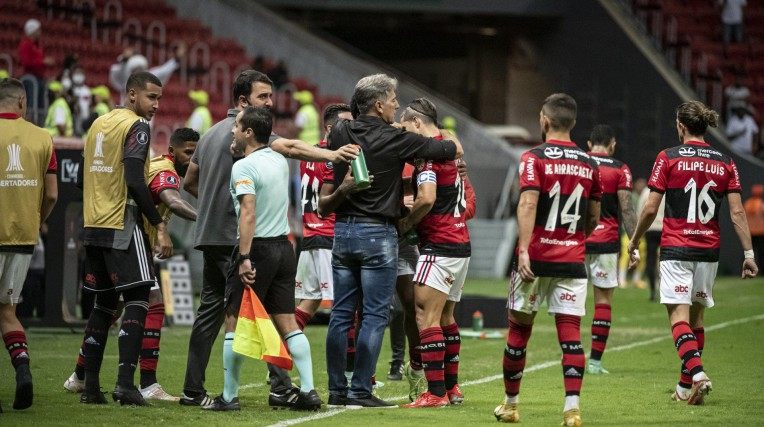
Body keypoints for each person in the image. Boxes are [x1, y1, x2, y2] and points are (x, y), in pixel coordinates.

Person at [180, 70, 357, 408]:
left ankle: (193, 389)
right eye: (263, 97)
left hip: (212, 235)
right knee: (256, 315)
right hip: (244, 240)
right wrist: (332, 155)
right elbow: (289, 148)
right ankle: (281, 386)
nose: (270, 103)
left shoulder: (208, 135)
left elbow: (189, 181)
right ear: (243, 102)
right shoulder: (255, 136)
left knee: (212, 313)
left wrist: (213, 205)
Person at [319, 73, 463, 409]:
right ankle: (360, 391)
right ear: (378, 103)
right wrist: (437, 133)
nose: (397, 106)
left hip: (342, 231)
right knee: (374, 315)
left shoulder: (340, 131)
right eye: (393, 99)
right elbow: (448, 149)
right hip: (378, 234)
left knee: (341, 314)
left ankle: (337, 390)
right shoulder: (396, 139)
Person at [628, 100, 758, 405]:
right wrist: (749, 254)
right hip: (708, 250)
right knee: (697, 320)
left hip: (677, 247)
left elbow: (650, 208)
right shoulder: (725, 162)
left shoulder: (668, 157)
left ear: (681, 126)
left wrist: (634, 240)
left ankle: (698, 375)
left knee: (678, 318)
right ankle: (685, 388)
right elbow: (738, 212)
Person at [64, 127, 199, 401]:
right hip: (128, 240)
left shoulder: (155, 164)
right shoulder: (166, 171)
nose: (192, 159)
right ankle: (145, 383)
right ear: (172, 151)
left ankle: (79, 376)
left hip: (109, 234)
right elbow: (172, 200)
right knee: (152, 302)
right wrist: (204, 218)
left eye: (196, 154)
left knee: (108, 309)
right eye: (188, 152)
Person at [202, 106, 322, 411]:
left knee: (233, 322)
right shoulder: (279, 160)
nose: (232, 130)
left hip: (257, 250)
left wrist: (244, 257)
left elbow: (248, 212)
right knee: (288, 322)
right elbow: (291, 148)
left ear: (249, 132)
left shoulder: (244, 167)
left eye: (237, 126)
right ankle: (308, 391)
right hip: (284, 248)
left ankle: (229, 397)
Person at [494, 93, 601, 427]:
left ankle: (511, 405)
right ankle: (572, 410)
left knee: (518, 331)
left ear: (544, 119)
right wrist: (574, 239)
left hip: (536, 259)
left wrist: (524, 249)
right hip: (572, 260)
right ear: (573, 122)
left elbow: (527, 203)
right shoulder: (589, 163)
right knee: (570, 335)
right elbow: (593, 218)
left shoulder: (533, 157)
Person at [78, 71, 173, 406]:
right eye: (151, 97)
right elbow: (134, 179)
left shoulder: (97, 125)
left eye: (159, 98)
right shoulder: (137, 127)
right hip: (122, 221)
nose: (156, 105)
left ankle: (90, 388)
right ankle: (124, 384)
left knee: (104, 305)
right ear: (132, 94)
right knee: (138, 298)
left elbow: (81, 178)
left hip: (93, 225)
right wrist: (158, 224)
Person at [397, 98, 475, 408]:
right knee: (445, 317)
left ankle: (436, 392)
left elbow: (427, 198)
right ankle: (452, 389)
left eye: (406, 128)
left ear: (417, 123)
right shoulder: (451, 150)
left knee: (424, 316)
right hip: (461, 244)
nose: (406, 135)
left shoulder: (428, 158)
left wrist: (406, 223)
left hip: (439, 246)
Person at [0, 77, 58, 411]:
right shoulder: (42, 137)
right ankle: (22, 369)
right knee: (8, 311)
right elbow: (52, 194)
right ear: (22, 102)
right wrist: (37, 221)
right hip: (23, 237)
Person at [581, 124, 636, 375]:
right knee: (602, 302)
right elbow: (627, 209)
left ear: (589, 144)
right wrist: (633, 244)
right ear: (612, 144)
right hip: (607, 243)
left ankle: (571, 356)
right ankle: (595, 362)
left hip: (577, 241)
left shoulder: (579, 162)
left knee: (571, 302)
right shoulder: (620, 169)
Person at [294, 104, 352, 329]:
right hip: (329, 235)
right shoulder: (334, 159)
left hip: (310, 236)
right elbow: (327, 199)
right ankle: (346, 352)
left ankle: (282, 347)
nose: (351, 129)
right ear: (329, 129)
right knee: (346, 302)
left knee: (310, 301)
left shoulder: (310, 154)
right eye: (346, 124)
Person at [109, 46, 186, 103]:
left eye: (140, 69)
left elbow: (165, 70)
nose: (138, 72)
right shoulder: (126, 80)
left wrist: (177, 58)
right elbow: (115, 73)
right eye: (135, 69)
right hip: (126, 116)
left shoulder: (149, 78)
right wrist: (124, 60)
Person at [17, 19, 54, 118]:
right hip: (31, 80)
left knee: (41, 105)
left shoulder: (38, 45)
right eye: (38, 30)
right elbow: (26, 62)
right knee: (32, 104)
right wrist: (43, 62)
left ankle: (39, 123)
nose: (40, 32)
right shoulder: (26, 44)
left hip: (39, 79)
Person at [638, 181, 665, 302]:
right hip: (665, 228)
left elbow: (641, 211)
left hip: (650, 228)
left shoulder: (645, 192)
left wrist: (639, 230)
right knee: (665, 261)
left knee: (650, 259)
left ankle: (653, 290)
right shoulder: (667, 191)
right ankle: (663, 289)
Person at [744, 184, 764, 267]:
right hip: (761, 232)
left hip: (749, 232)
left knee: (749, 252)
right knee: (761, 252)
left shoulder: (747, 204)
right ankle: (761, 270)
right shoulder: (761, 204)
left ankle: (747, 267)